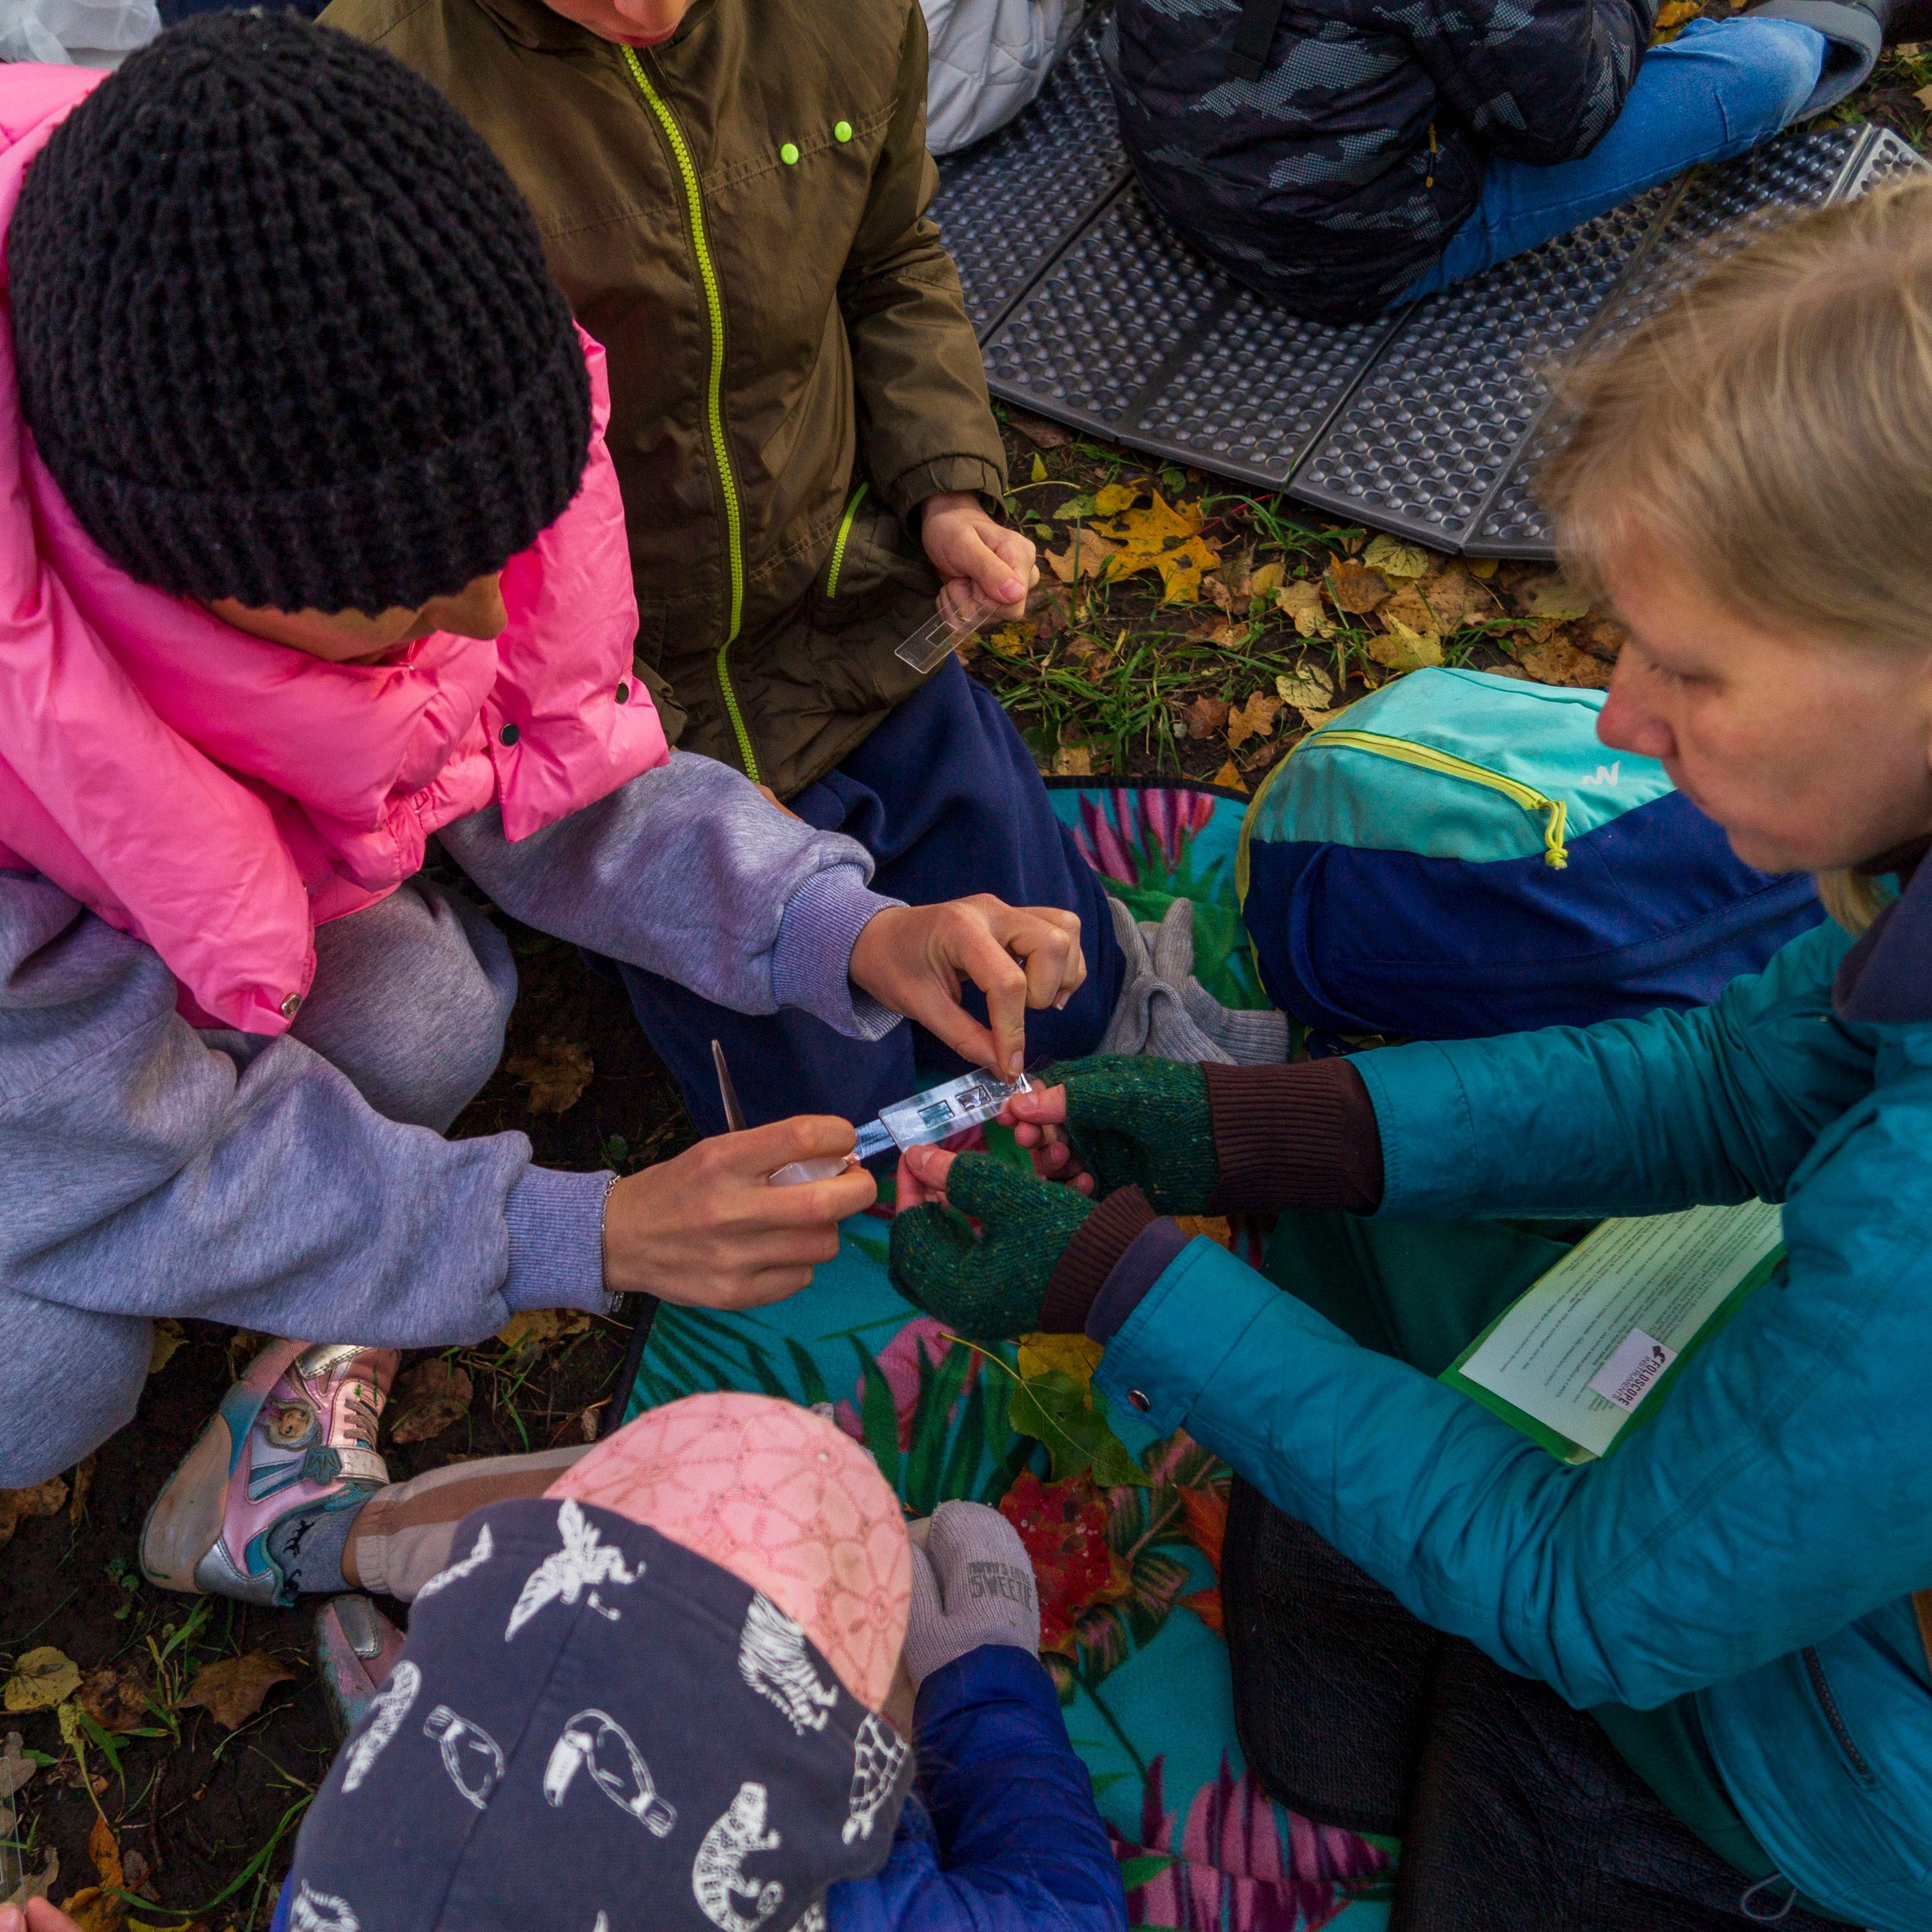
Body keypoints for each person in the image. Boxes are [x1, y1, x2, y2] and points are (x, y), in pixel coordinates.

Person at [881, 179, 1932, 1930]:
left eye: (1689, 666)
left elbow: (1584, 1596)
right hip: (1794, 1489)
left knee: (1421, 1678)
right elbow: (1736, 1086)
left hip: (1832, 1763)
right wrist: (1237, 1131)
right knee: (1361, 1329)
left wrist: (1118, 1277)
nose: (1613, 720)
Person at [0, 17, 1088, 1538]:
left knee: (425, 1010)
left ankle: (310, 1255)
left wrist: (846, 927)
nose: (483, 620)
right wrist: (571, 1228)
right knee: (43, 1373)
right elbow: (102, 1137)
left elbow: (541, 764)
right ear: (185, 581)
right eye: (415, 598)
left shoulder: (260, 398)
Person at [318, 0, 1134, 1140]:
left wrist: (944, 488)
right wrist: (623, 744)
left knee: (1064, 982)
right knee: (830, 1123)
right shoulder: (373, 95)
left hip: (848, 618)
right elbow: (419, 541)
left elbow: (892, 259)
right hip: (621, 712)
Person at [270, 1395, 1126, 1931]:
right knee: (875, 1554)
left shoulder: (348, 1881)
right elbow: (1067, 1910)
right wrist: (981, 1676)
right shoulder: (848, 1904)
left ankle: (309, 1537)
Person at [1106, 0, 1924, 324]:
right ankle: (1848, 9)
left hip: (1172, 156)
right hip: (1345, 249)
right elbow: (1567, 117)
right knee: (1764, 72)